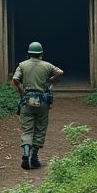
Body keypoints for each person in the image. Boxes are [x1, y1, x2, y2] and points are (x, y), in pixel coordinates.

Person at [11, 41, 64, 170]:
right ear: (41, 54)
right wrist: (50, 80)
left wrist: (21, 91)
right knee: (40, 128)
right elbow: (60, 72)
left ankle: (25, 153)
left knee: (27, 129)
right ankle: (34, 156)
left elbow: (15, 79)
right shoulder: (47, 65)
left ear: (29, 53)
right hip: (43, 101)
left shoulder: (22, 65)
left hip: (27, 101)